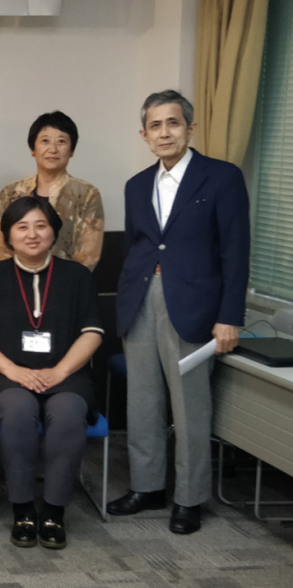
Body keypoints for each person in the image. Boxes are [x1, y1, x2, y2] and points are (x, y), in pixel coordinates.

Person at [107, 90, 250, 535]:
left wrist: (230, 316)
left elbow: (235, 252)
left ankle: (189, 497)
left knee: (190, 408)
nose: (164, 132)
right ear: (144, 135)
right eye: (155, 125)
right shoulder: (136, 185)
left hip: (194, 306)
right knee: (142, 402)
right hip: (140, 301)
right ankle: (147, 486)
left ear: (190, 127)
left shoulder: (222, 177)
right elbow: (137, 246)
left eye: (173, 123)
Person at [0, 197, 104, 549]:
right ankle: (23, 509)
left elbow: (92, 333)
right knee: (17, 409)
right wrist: (12, 369)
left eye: (41, 226)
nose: (32, 234)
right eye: (22, 227)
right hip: (6, 375)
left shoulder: (76, 276)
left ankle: (54, 511)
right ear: (7, 235)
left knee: (68, 412)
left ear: (54, 231)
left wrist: (59, 371)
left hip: (67, 374)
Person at [0, 112, 104, 270]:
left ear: (71, 151)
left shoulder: (87, 194)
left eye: (61, 141)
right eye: (45, 141)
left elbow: (88, 255)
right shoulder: (10, 194)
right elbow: (0, 249)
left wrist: (67, 280)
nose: (53, 149)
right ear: (33, 149)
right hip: (15, 281)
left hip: (68, 281)